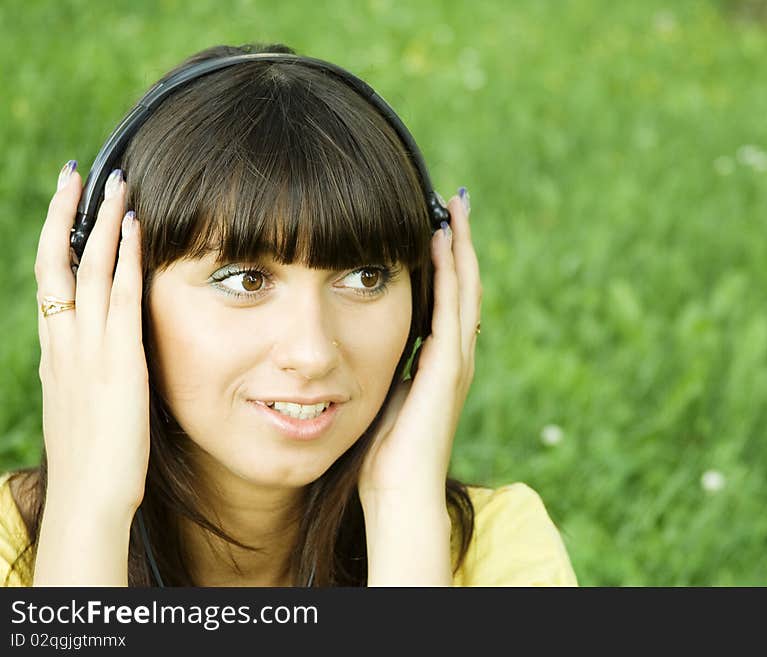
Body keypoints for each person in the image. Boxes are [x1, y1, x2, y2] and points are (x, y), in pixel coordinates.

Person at [0, 43, 576, 587]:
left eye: (364, 278)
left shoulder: (499, 550)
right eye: (246, 281)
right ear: (110, 297)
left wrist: (403, 514)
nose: (312, 352)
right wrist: (88, 509)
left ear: (429, 304)